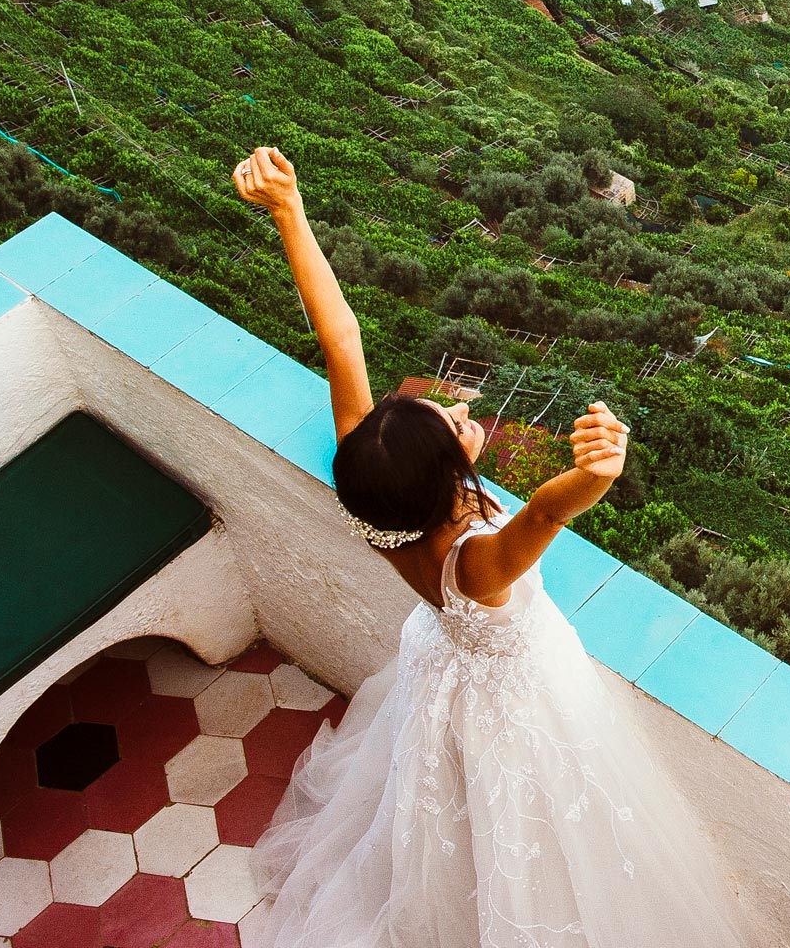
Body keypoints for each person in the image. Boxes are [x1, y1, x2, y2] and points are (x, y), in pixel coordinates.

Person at [232, 146, 749, 947]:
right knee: (532, 838)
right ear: (447, 477)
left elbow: (343, 342)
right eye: (456, 425)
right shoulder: (476, 562)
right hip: (518, 703)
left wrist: (290, 211)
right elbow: (542, 514)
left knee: (449, 822)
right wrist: (599, 468)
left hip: (442, 674)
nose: (460, 411)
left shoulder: (369, 490)